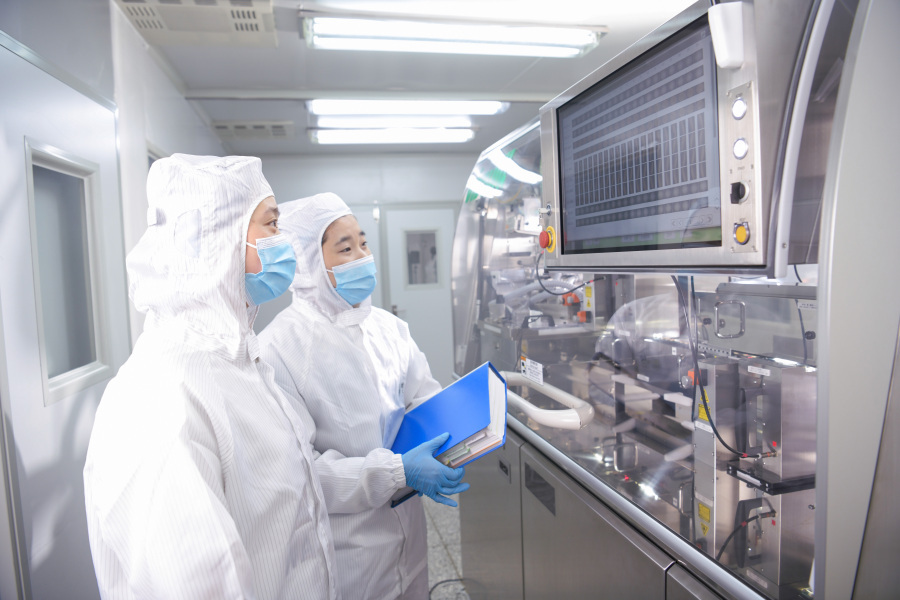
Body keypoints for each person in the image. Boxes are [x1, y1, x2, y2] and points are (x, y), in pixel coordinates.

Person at [83, 155, 339, 599]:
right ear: (219, 237)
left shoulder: (236, 360)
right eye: (271, 224)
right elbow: (198, 582)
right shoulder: (162, 395)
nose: (283, 242)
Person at [258, 192, 469, 600]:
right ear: (308, 263)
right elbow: (301, 473)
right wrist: (396, 472)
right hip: (350, 553)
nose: (362, 257)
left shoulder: (388, 328)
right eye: (345, 248)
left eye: (364, 243)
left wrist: (461, 432)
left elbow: (422, 398)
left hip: (409, 537)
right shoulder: (278, 350)